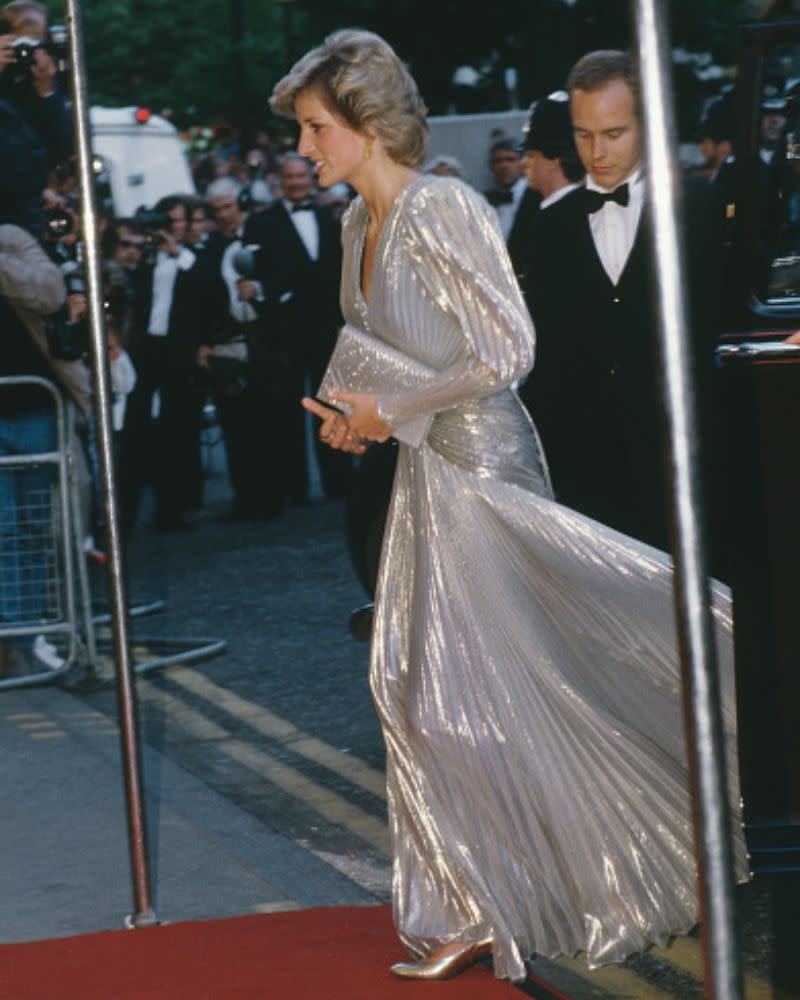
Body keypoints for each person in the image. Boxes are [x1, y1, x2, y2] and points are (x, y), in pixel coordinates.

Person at [271, 30, 747, 983]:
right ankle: (490, 895)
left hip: (482, 469)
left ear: (367, 123)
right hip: (421, 470)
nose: (306, 149)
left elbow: (506, 352)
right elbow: (384, 351)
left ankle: (510, 900)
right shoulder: (357, 226)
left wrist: (390, 408)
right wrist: (356, 419)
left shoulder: (441, 205)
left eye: (318, 128)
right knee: (416, 684)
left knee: (470, 694)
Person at [524, 50, 724, 559]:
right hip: (589, 475)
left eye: (614, 134)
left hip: (690, 464)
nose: (597, 152)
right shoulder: (545, 230)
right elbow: (543, 356)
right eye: (583, 134)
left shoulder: (702, 211)